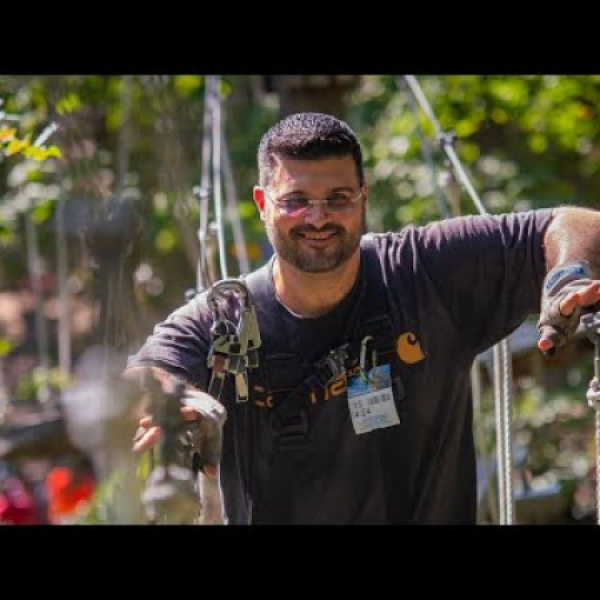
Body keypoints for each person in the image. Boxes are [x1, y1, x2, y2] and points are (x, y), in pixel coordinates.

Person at [125, 111, 600, 524]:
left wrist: (567, 274)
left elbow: (574, 224)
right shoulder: (225, 318)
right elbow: (146, 372)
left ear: (363, 198)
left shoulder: (423, 273)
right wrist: (175, 401)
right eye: (295, 200)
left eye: (338, 198)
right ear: (262, 203)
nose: (317, 218)